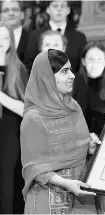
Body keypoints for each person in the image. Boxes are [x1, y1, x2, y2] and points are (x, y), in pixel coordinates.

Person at [20, 49, 103, 214]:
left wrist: (89, 147)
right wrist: (67, 184)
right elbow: (33, 167)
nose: (72, 75)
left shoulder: (74, 107)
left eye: (70, 69)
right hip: (49, 197)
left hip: (82, 195)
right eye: (64, 71)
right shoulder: (33, 117)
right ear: (48, 78)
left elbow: (78, 147)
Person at [0, 22, 29, 214]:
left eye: (4, 38)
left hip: (9, 135)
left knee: (6, 185)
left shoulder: (19, 68)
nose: (0, 42)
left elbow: (26, 109)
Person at [73, 41, 105, 136]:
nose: (94, 64)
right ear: (83, 61)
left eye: (99, 59)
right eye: (90, 59)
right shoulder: (71, 86)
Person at [24, 0, 87, 74]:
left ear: (68, 10)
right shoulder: (35, 35)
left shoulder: (80, 37)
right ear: (48, 9)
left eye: (63, 6)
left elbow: (82, 66)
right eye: (55, 6)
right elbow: (29, 64)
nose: (59, 9)